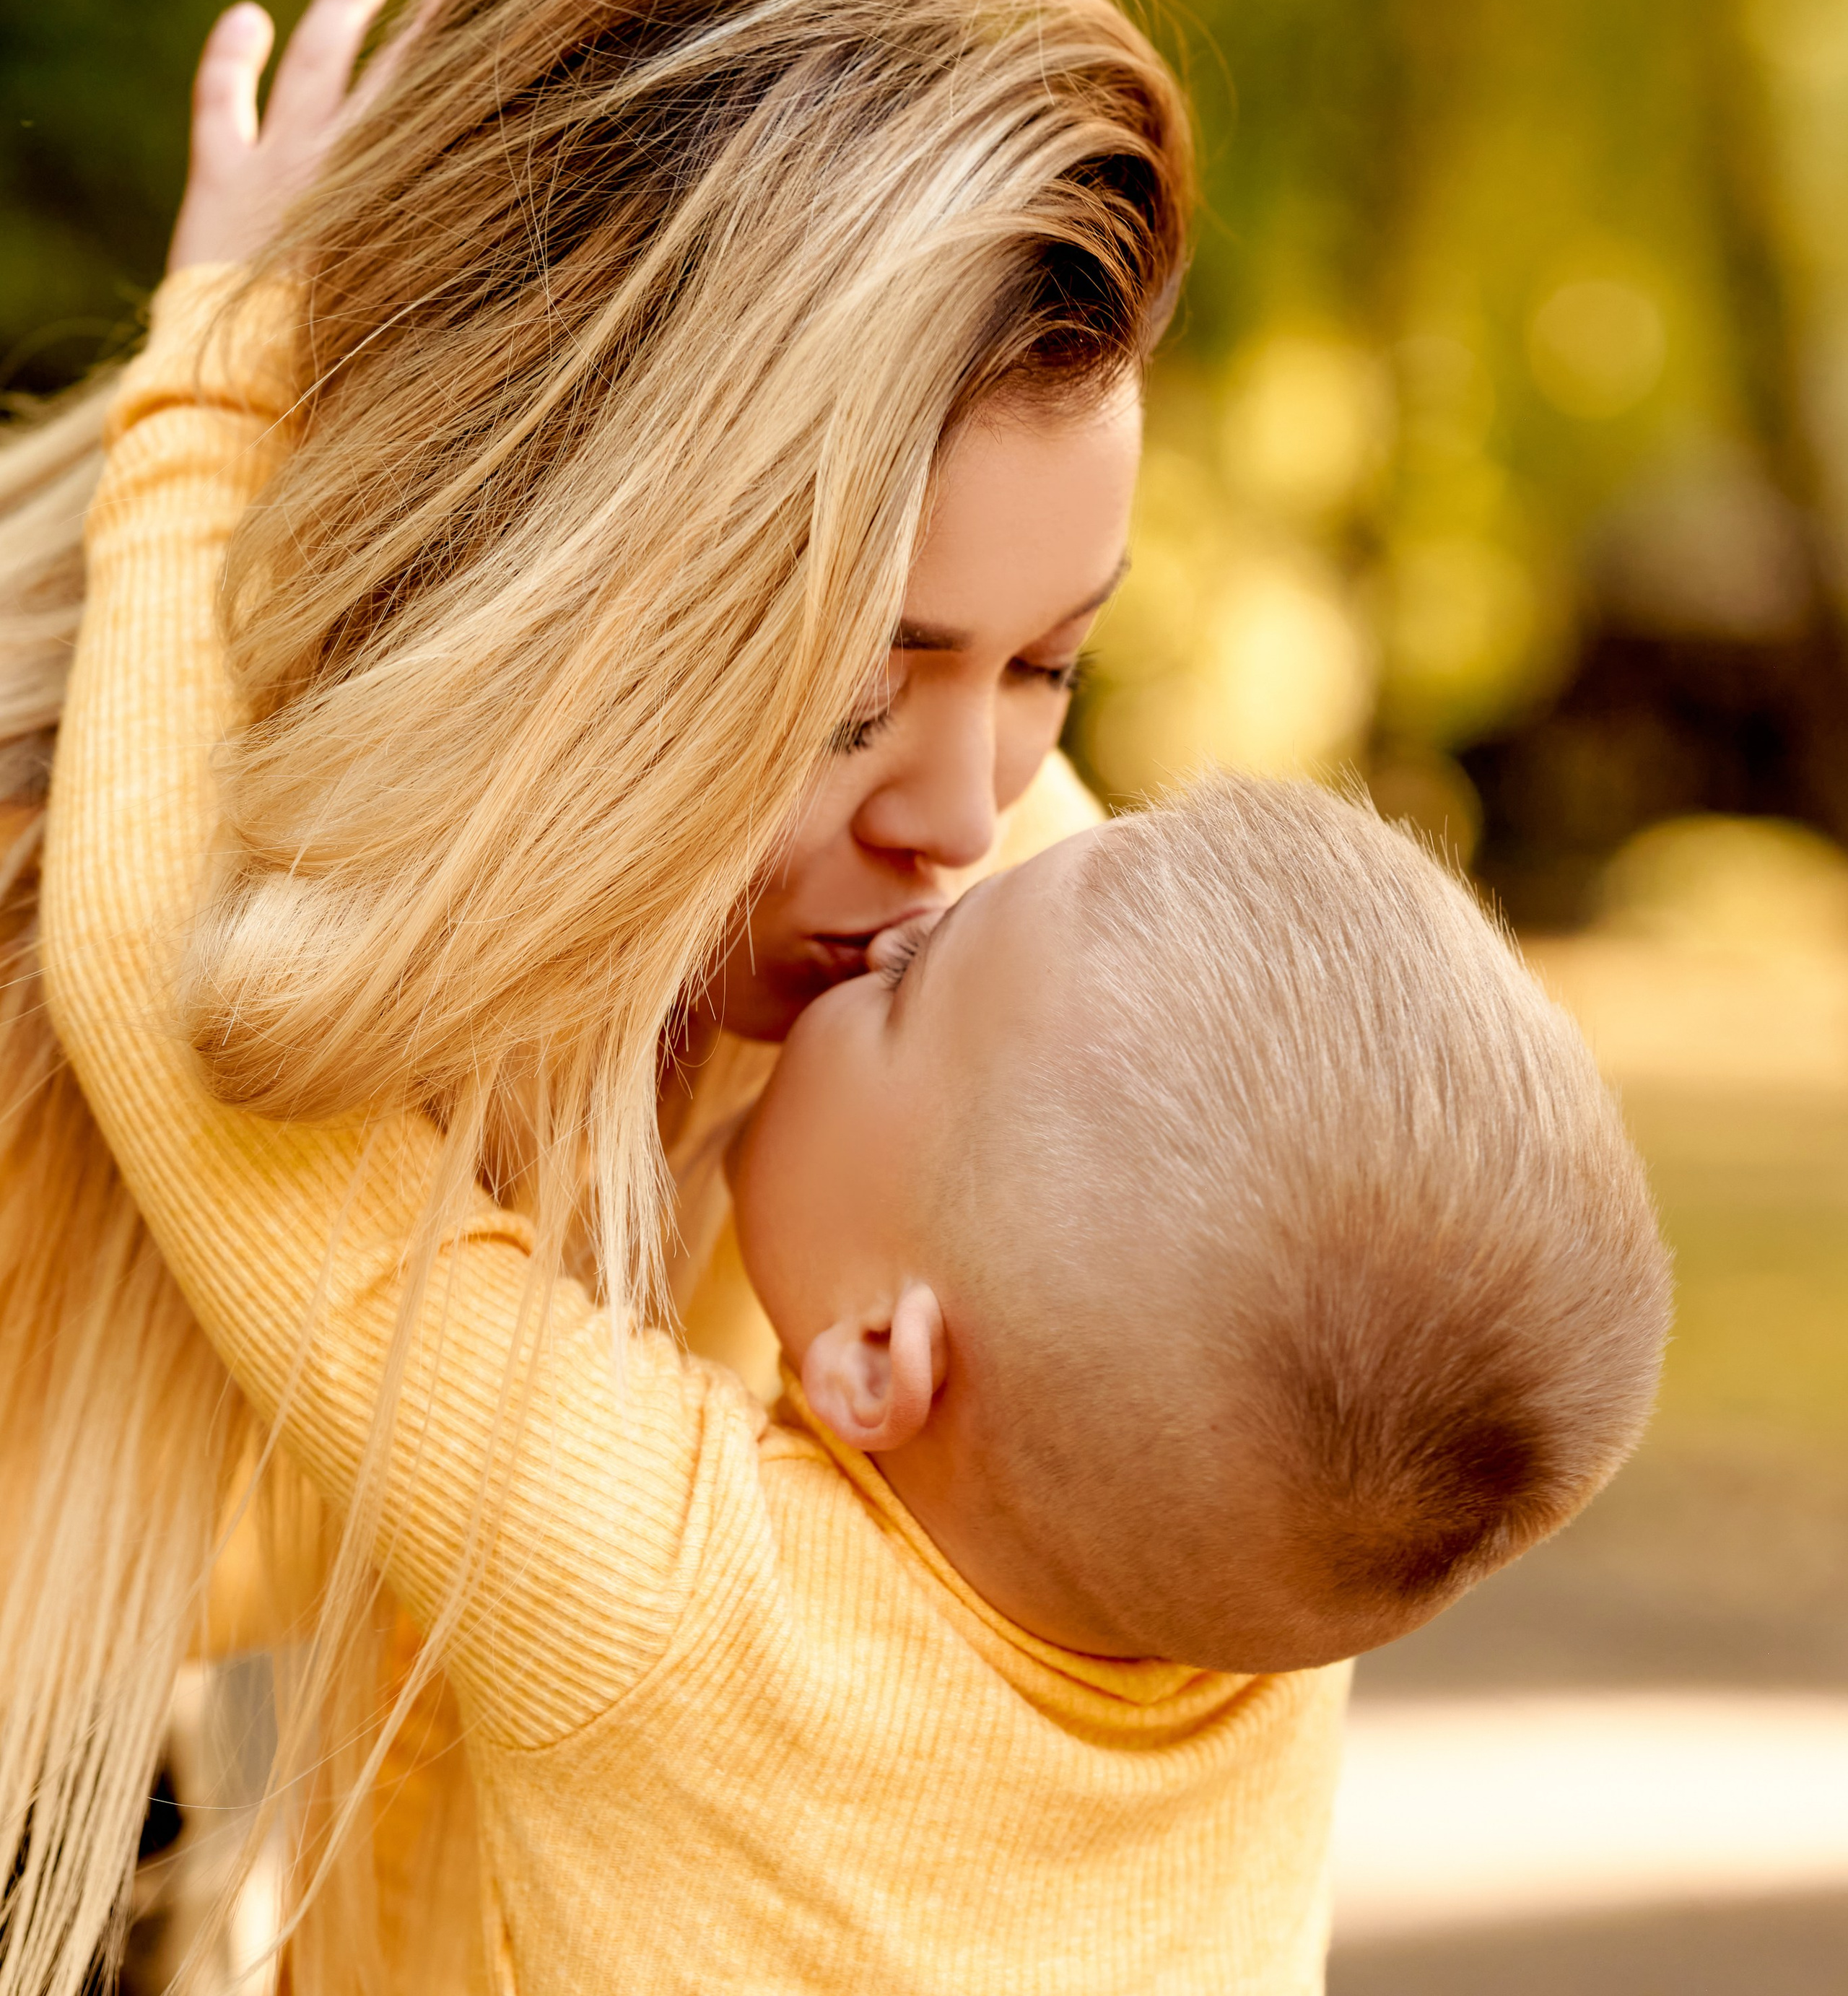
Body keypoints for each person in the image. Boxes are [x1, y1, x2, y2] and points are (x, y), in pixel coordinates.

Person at [40, 256, 1668, 1991]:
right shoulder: (1252, 1611)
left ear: (881, 1354)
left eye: (906, 977)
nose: (960, 841)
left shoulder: (670, 1592)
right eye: (859, 700)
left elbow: (172, 1002)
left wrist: (229, 359)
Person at [0, 0, 1190, 1994]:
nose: (965, 817)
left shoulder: (996, 992)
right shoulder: (61, 931)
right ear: (540, 614)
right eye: (850, 696)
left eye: (1048, 664)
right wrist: (235, 364)